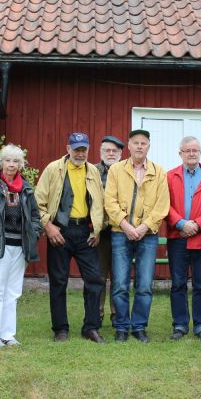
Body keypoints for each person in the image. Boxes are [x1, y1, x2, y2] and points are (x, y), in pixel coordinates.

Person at [35, 133, 106, 343]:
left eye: (84, 149)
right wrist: (48, 227)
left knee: (94, 280)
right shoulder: (53, 169)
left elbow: (100, 203)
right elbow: (37, 202)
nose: (80, 153)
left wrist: (97, 230)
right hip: (60, 231)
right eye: (76, 149)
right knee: (58, 281)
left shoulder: (92, 171)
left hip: (85, 232)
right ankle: (60, 329)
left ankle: (91, 327)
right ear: (68, 148)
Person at [104, 129, 170, 343]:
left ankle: (139, 326)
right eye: (135, 143)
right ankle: (122, 326)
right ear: (129, 146)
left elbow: (162, 206)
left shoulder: (159, 172)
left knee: (143, 284)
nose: (139, 146)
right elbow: (109, 202)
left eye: (143, 143)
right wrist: (125, 225)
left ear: (148, 146)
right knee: (120, 283)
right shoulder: (116, 170)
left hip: (148, 235)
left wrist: (143, 228)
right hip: (120, 233)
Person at [0, 143, 42, 348]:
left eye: (15, 161)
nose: (11, 165)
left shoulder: (27, 189)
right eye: (7, 160)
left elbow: (36, 217)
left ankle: (8, 335)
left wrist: (34, 234)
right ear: (1, 162)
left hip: (20, 248)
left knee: (13, 292)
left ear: (20, 165)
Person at [165, 136, 201, 342]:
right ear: (180, 153)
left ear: (200, 153)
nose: (192, 154)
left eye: (195, 150)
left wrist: (196, 224)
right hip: (177, 237)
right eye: (187, 150)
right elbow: (164, 204)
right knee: (178, 283)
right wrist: (181, 223)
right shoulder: (169, 177)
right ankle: (179, 324)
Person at [94, 135, 124, 326]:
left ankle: (117, 316)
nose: (111, 154)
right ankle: (96, 315)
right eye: (107, 150)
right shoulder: (92, 171)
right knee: (98, 276)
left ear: (121, 154)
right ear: (101, 152)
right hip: (100, 232)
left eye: (114, 151)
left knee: (119, 277)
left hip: (121, 230)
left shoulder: (126, 170)